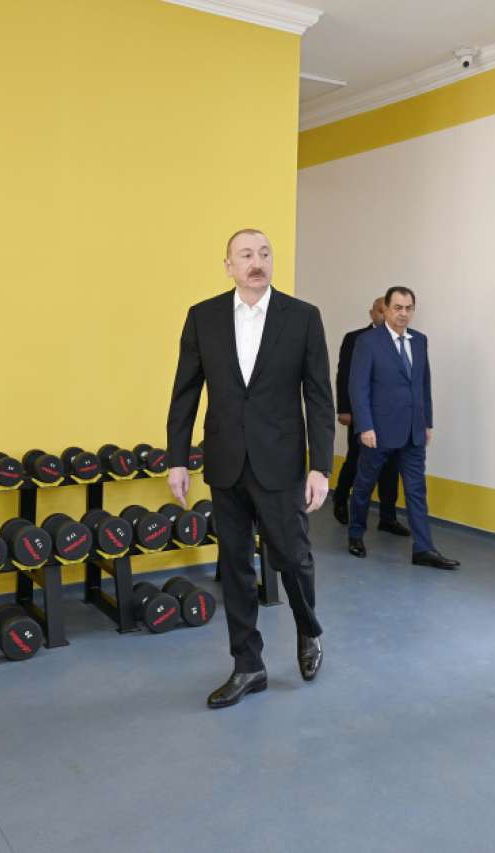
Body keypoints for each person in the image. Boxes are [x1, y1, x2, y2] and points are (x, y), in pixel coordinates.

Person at [166, 228, 335, 709]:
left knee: (292, 558)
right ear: (229, 266)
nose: (256, 262)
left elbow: (319, 397)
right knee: (236, 566)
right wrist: (177, 458)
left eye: (263, 253)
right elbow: (185, 392)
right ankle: (248, 665)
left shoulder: (302, 317)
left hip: (281, 461)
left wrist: (320, 467)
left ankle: (308, 629)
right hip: (225, 461)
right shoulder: (203, 317)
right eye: (245, 255)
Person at [347, 286, 460, 569]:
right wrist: (365, 426)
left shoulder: (420, 341)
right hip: (378, 431)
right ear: (386, 309)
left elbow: (423, 384)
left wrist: (427, 422)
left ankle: (424, 549)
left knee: (416, 490)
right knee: (364, 485)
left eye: (408, 308)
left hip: (413, 431)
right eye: (397, 307)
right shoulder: (368, 342)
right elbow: (358, 387)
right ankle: (355, 534)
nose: (403, 313)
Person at [332, 297, 408, 536]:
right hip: (362, 414)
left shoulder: (401, 340)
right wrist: (345, 409)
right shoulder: (355, 338)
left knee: (391, 467)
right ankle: (340, 499)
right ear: (371, 313)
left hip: (391, 417)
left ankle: (388, 517)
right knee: (356, 460)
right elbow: (345, 375)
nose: (384, 314)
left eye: (388, 310)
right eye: (380, 310)